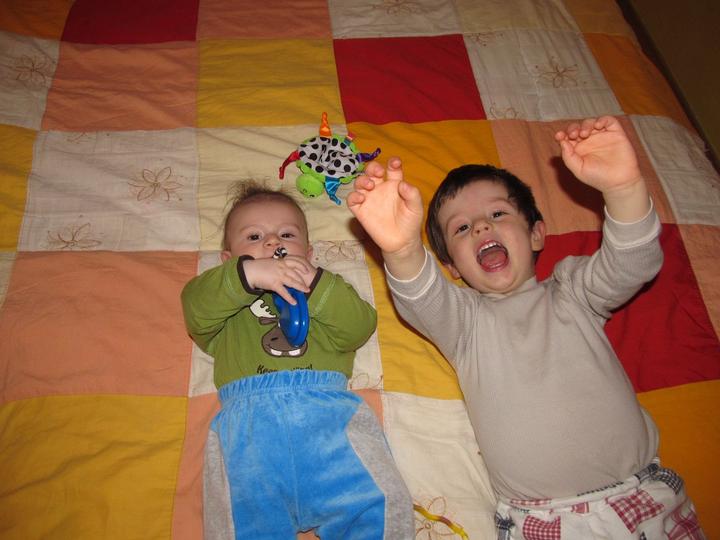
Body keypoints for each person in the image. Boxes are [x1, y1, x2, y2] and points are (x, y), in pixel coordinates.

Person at [347, 116, 705, 539]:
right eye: (461, 228)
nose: (482, 226)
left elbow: (632, 263)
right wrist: (402, 249)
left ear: (536, 234)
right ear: (452, 267)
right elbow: (421, 298)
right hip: (543, 521)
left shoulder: (574, 290)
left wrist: (624, 189)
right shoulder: (465, 322)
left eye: (498, 213)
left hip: (641, 498)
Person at [182, 182, 413, 540]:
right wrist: (248, 277)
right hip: (249, 437)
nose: (273, 242)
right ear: (229, 261)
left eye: (287, 234)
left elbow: (359, 325)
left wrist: (314, 283)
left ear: (308, 253)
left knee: (377, 503)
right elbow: (195, 307)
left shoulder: (323, 296)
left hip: (329, 423)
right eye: (254, 236)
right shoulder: (224, 311)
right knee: (241, 524)